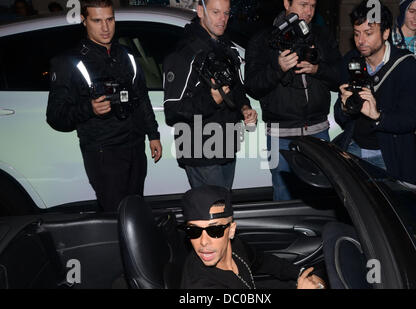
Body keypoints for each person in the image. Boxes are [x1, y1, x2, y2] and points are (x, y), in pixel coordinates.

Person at [46, 0, 162, 212]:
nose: (106, 27)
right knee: (114, 216)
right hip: (104, 153)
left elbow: (141, 97)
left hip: (135, 148)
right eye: (97, 20)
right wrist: (89, 108)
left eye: (109, 19)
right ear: (84, 21)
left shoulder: (127, 55)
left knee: (135, 212)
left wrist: (153, 135)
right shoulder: (69, 62)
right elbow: (55, 116)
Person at [245, 0, 341, 201]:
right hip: (281, 135)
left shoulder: (322, 36)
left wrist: (318, 69)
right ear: (286, 3)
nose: (309, 11)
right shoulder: (263, 40)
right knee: (283, 195)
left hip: (318, 132)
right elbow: (253, 86)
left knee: (322, 196)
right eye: (303, 4)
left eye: (313, 6)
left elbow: (341, 76)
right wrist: (278, 69)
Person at [163, 0, 257, 190]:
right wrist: (212, 100)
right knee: (213, 214)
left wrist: (245, 108)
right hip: (200, 151)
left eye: (226, 13)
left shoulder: (225, 46)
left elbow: (236, 89)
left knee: (223, 210)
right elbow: (173, 111)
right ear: (200, 11)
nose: (222, 19)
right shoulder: (185, 52)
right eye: (216, 12)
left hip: (226, 146)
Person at [334, 0, 416, 184]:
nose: (360, 41)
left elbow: (409, 120)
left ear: (386, 32)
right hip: (354, 148)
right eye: (356, 34)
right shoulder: (351, 60)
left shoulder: (405, 65)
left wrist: (377, 116)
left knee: (386, 211)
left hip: (388, 155)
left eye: (368, 33)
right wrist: (344, 107)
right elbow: (340, 117)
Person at [180, 185, 326, 289]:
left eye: (215, 230)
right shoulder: (200, 285)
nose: (203, 242)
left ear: (231, 230)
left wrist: (302, 274)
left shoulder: (236, 246)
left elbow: (264, 261)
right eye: (193, 231)